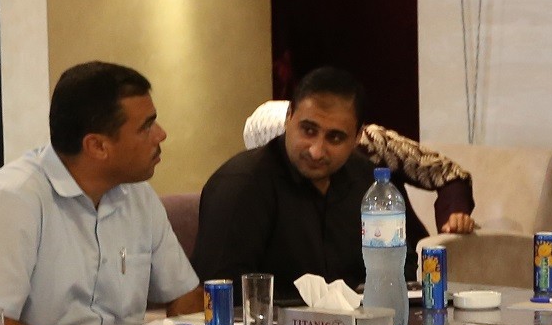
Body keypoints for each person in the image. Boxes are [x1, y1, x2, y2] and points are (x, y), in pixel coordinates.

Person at [0, 61, 201, 325]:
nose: (161, 134)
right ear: (97, 146)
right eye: (146, 126)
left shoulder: (138, 195)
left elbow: (185, 295)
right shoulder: (15, 198)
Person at [193, 68, 480, 289]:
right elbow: (221, 295)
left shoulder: (368, 181)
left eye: (335, 138)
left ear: (357, 137)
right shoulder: (241, 185)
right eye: (308, 130)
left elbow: (399, 268)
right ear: (289, 117)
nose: (316, 151)